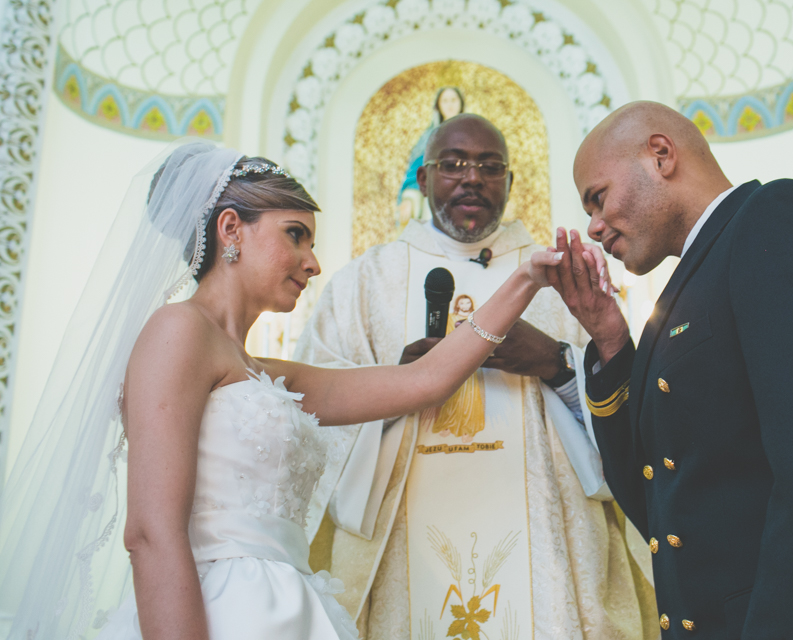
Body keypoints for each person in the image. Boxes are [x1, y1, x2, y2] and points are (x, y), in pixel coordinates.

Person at [0, 141, 562, 640]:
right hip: (215, 611)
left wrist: (526, 280)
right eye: (295, 235)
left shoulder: (266, 373)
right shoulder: (176, 332)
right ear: (230, 230)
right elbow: (150, 532)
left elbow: (425, 381)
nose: (313, 263)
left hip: (288, 609)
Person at [548, 101, 793, 638]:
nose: (591, 227)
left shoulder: (779, 220)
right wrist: (612, 339)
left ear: (660, 154)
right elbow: (664, 508)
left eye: (598, 198)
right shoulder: (690, 283)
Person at [295, 114, 658, 639]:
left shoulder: (558, 274)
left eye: (490, 167)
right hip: (404, 539)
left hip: (543, 537)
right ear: (422, 180)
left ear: (510, 183)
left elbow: (628, 408)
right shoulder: (366, 282)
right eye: (453, 164)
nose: (472, 178)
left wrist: (555, 362)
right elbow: (310, 417)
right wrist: (395, 385)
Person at [396, 86, 465, 228]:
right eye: (445, 101)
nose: (450, 104)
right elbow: (417, 169)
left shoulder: (473, 134)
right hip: (436, 193)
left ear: (461, 103)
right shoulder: (430, 136)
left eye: (453, 100)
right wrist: (410, 197)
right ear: (439, 106)